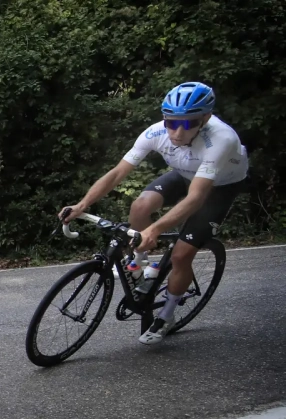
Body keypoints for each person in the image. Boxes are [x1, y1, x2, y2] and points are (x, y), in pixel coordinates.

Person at [60, 81, 248, 345]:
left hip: (219, 186)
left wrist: (155, 229)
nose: (178, 132)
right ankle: (140, 263)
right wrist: (82, 204)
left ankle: (167, 315)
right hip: (184, 173)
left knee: (182, 254)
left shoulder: (222, 139)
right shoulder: (155, 132)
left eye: (188, 123)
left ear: (205, 118)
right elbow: (117, 173)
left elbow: (196, 198)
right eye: (172, 123)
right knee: (139, 206)